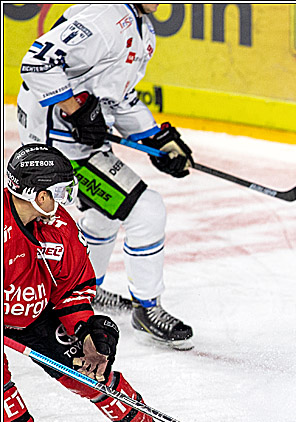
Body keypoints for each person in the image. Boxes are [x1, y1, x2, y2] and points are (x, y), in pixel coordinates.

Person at [17, 3, 195, 350]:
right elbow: (37, 63)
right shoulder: (105, 16)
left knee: (102, 216)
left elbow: (119, 97)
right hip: (59, 148)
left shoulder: (141, 29)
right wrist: (77, 109)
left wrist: (155, 138)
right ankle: (147, 308)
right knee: (146, 210)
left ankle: (84, 293)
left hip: (78, 145)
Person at [4, 143, 178, 422]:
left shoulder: (60, 229)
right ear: (36, 194)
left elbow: (72, 290)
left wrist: (87, 334)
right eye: (58, 191)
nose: (66, 199)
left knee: (88, 372)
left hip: (36, 314)